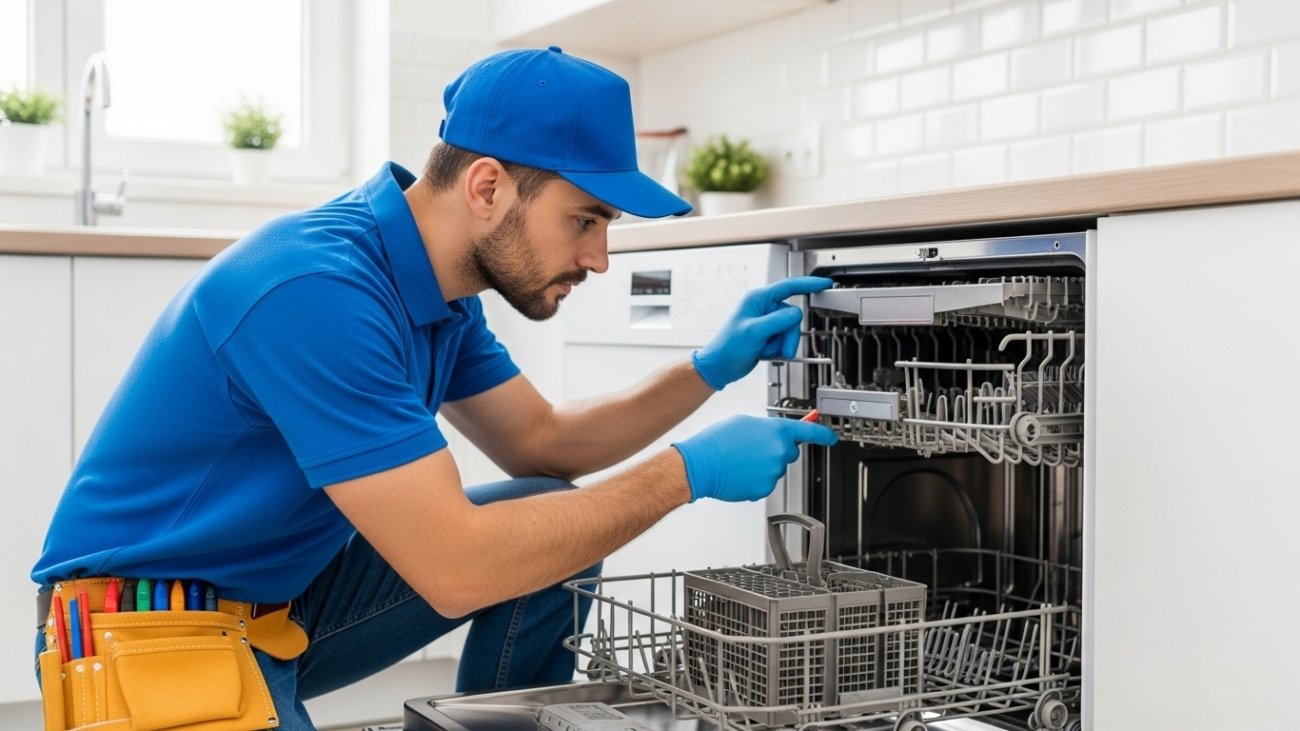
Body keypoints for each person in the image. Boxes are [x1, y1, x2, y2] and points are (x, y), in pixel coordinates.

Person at [31, 46, 836, 729]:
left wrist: (705, 370)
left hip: (276, 606)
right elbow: (456, 567)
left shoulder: (436, 293)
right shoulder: (318, 289)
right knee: (506, 541)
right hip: (141, 626)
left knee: (541, 507)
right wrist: (684, 474)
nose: (597, 260)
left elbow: (541, 439)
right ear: (487, 188)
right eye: (585, 220)